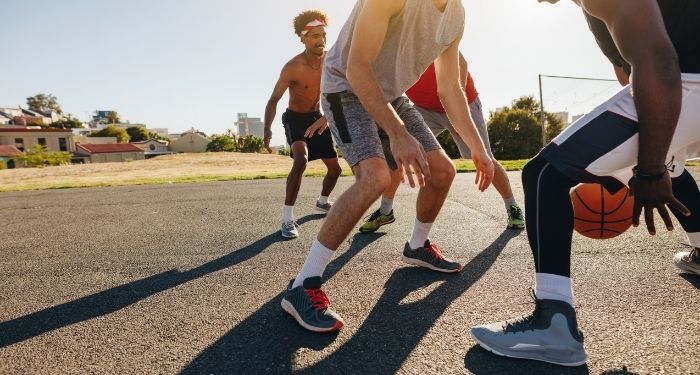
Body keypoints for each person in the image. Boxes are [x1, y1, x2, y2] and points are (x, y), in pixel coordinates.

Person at [471, 0, 700, 366]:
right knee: (664, 162)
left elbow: (658, 60)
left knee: (545, 174)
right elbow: (631, 75)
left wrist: (650, 169)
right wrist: (648, 162)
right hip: (683, 81)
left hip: (686, 81)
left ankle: (554, 323)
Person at [280, 0, 495, 332]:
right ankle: (303, 285)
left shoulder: (456, 15)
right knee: (375, 177)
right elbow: (357, 67)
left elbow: (449, 87)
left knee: (442, 171)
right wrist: (397, 133)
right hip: (346, 88)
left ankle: (417, 246)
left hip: (392, 95)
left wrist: (479, 147)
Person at [359, 53, 524, 234]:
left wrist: (457, 114)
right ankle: (385, 211)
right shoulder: (393, 47)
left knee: (484, 156)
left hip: (461, 103)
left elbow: (460, 66)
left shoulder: (434, 33)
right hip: (424, 109)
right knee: (399, 149)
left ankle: (512, 207)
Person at [264, 10, 342, 239]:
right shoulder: (293, 67)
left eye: (323, 35)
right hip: (295, 119)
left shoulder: (331, 61)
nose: (321, 40)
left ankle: (322, 201)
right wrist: (267, 129)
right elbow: (273, 100)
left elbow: (340, 94)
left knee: (335, 169)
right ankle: (287, 219)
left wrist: (326, 118)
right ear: (303, 38)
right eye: (315, 35)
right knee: (301, 160)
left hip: (318, 117)